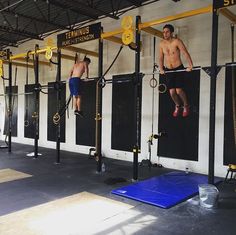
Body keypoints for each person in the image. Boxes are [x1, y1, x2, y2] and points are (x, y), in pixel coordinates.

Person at [159, 24, 193, 117]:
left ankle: (186, 105)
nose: (165, 34)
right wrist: (161, 68)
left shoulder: (177, 41)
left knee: (178, 91)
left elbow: (185, 53)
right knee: (172, 92)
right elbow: (161, 57)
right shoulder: (161, 44)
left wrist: (190, 65)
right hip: (169, 70)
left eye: (167, 32)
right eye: (164, 32)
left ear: (171, 32)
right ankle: (178, 105)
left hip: (178, 68)